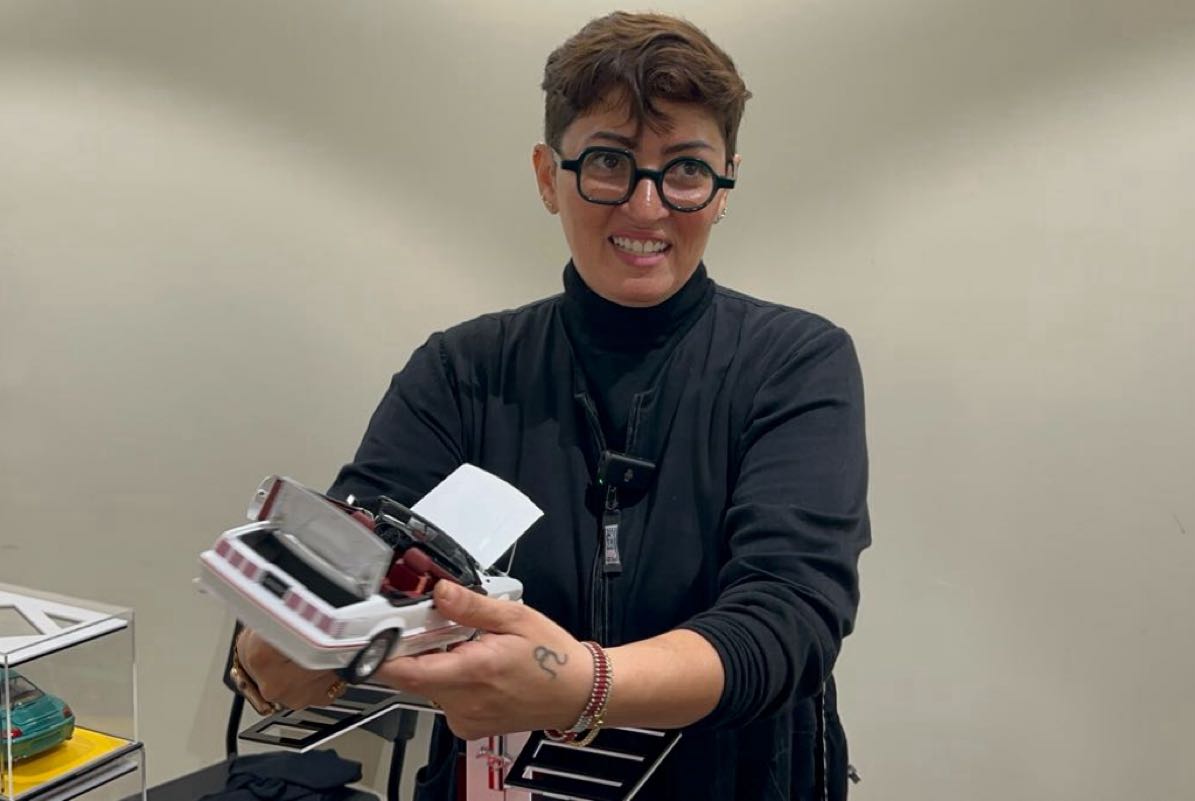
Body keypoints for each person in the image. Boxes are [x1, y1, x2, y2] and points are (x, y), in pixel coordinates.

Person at [235, 11, 870, 801]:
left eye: (685, 169)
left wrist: (582, 684)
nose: (646, 207)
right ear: (548, 174)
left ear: (723, 186)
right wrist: (280, 646)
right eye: (607, 162)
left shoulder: (796, 362)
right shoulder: (462, 372)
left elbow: (788, 619)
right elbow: (347, 559)